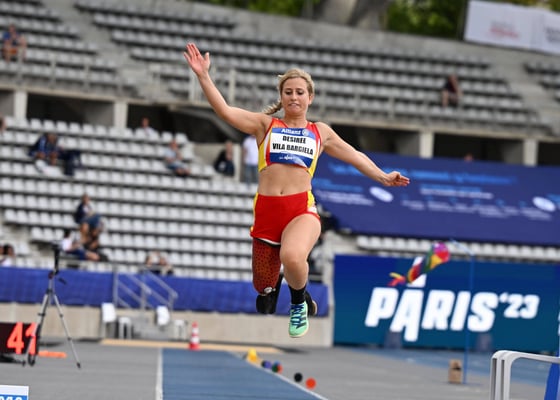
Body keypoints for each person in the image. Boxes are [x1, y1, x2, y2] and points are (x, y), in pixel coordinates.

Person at [184, 42, 410, 338]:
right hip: (267, 215)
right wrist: (203, 76)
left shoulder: (320, 132)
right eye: (288, 92)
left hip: (300, 210)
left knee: (292, 256)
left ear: (310, 97)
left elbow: (354, 155)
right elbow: (225, 111)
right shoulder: (265, 125)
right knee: (264, 291)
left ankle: (297, 304)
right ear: (281, 96)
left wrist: (382, 176)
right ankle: (297, 292)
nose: (294, 97)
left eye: (300, 92)